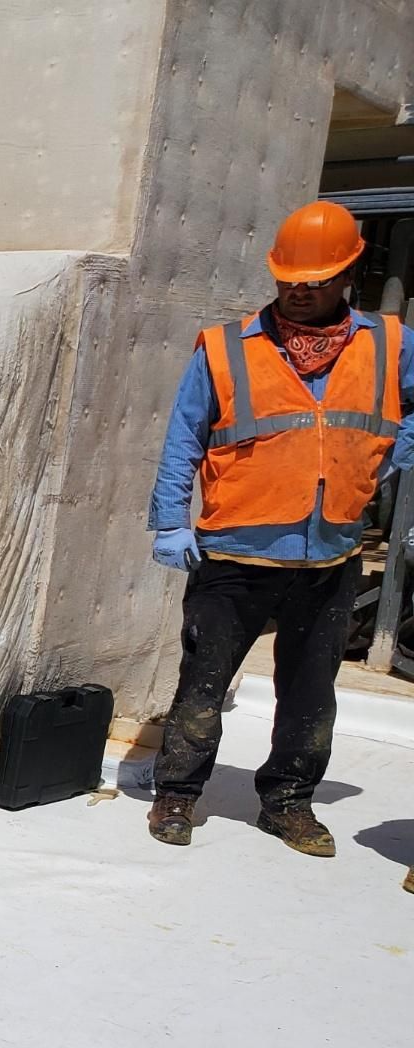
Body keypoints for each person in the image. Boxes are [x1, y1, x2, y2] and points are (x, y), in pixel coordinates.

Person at [146, 200, 414, 854]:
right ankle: (177, 793)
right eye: (288, 279)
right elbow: (184, 438)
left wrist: (388, 455)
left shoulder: (390, 344)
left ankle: (288, 802)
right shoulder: (227, 349)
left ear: (348, 274)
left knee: (310, 695)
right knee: (203, 685)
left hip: (331, 556)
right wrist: (170, 522)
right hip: (235, 553)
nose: (299, 291)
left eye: (315, 281)